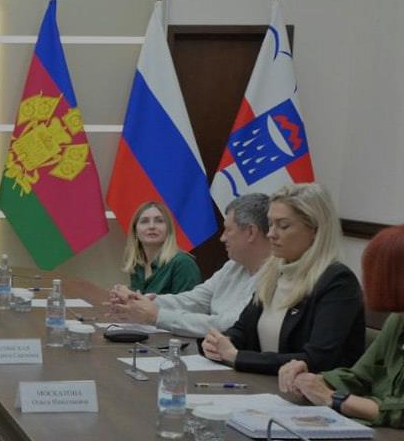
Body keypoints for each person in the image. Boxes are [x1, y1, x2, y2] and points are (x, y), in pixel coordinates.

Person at [203, 183, 364, 375]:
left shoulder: (337, 281)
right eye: (270, 224)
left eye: (283, 226)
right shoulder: (274, 271)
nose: (271, 234)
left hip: (307, 391)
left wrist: (237, 356)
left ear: (315, 230)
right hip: (263, 384)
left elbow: (317, 359)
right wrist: (220, 342)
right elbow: (242, 330)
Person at [278, 225, 404, 427]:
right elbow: (360, 376)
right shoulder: (398, 319)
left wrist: (333, 398)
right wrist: (316, 380)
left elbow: (400, 411)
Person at [107, 194, 272, 339]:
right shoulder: (233, 266)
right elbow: (194, 300)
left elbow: (227, 325)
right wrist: (139, 300)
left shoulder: (274, 276)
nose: (222, 238)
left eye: (228, 230)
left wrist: (157, 315)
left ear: (251, 232)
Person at [119, 200, 201, 295]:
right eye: (144, 221)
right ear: (135, 231)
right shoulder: (137, 265)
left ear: (169, 230)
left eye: (159, 221)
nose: (151, 226)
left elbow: (189, 304)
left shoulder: (183, 263)